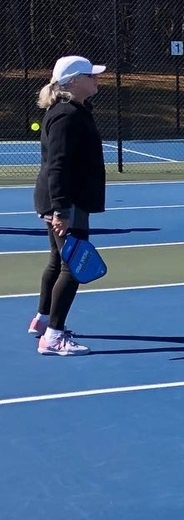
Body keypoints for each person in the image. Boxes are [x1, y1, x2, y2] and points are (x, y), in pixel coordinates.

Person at [30, 55, 107, 355]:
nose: (96, 79)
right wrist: (60, 209)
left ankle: (42, 319)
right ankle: (53, 336)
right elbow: (57, 166)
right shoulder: (66, 115)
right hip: (66, 201)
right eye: (91, 75)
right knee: (72, 266)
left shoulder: (74, 111)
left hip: (65, 199)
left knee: (56, 259)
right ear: (74, 81)